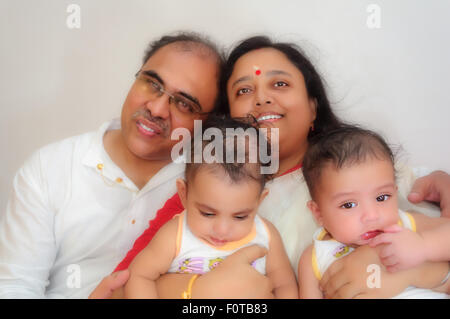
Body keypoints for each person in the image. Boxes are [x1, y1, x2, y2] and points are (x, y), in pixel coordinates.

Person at [94, 35, 450, 299]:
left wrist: (411, 273)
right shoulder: (200, 193)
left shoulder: (373, 172)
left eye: (279, 84)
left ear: (313, 107)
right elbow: (113, 292)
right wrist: (193, 291)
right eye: (243, 90)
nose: (262, 98)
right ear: (226, 118)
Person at [0, 32, 224, 298]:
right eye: (152, 84)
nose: (157, 108)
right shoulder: (49, 167)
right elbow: (16, 286)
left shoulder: (212, 186)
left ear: (207, 123)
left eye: (184, 103)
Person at [123, 116, 298, 299]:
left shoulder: (266, 235)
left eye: (240, 217)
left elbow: (284, 284)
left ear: (259, 201)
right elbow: (139, 275)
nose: (221, 230)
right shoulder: (175, 236)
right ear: (184, 194)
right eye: (207, 213)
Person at [298, 125, 450, 298]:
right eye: (348, 205)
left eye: (382, 198)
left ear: (395, 191)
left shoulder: (405, 225)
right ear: (319, 213)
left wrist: (424, 246)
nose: (371, 216)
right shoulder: (314, 258)